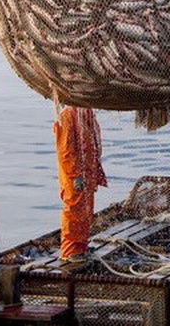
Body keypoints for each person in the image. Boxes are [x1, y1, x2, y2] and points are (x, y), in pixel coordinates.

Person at [54, 106, 107, 262]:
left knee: (86, 210)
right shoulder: (67, 115)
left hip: (87, 173)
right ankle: (70, 250)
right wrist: (75, 175)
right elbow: (65, 151)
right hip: (74, 176)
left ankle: (81, 245)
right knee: (74, 208)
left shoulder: (86, 112)